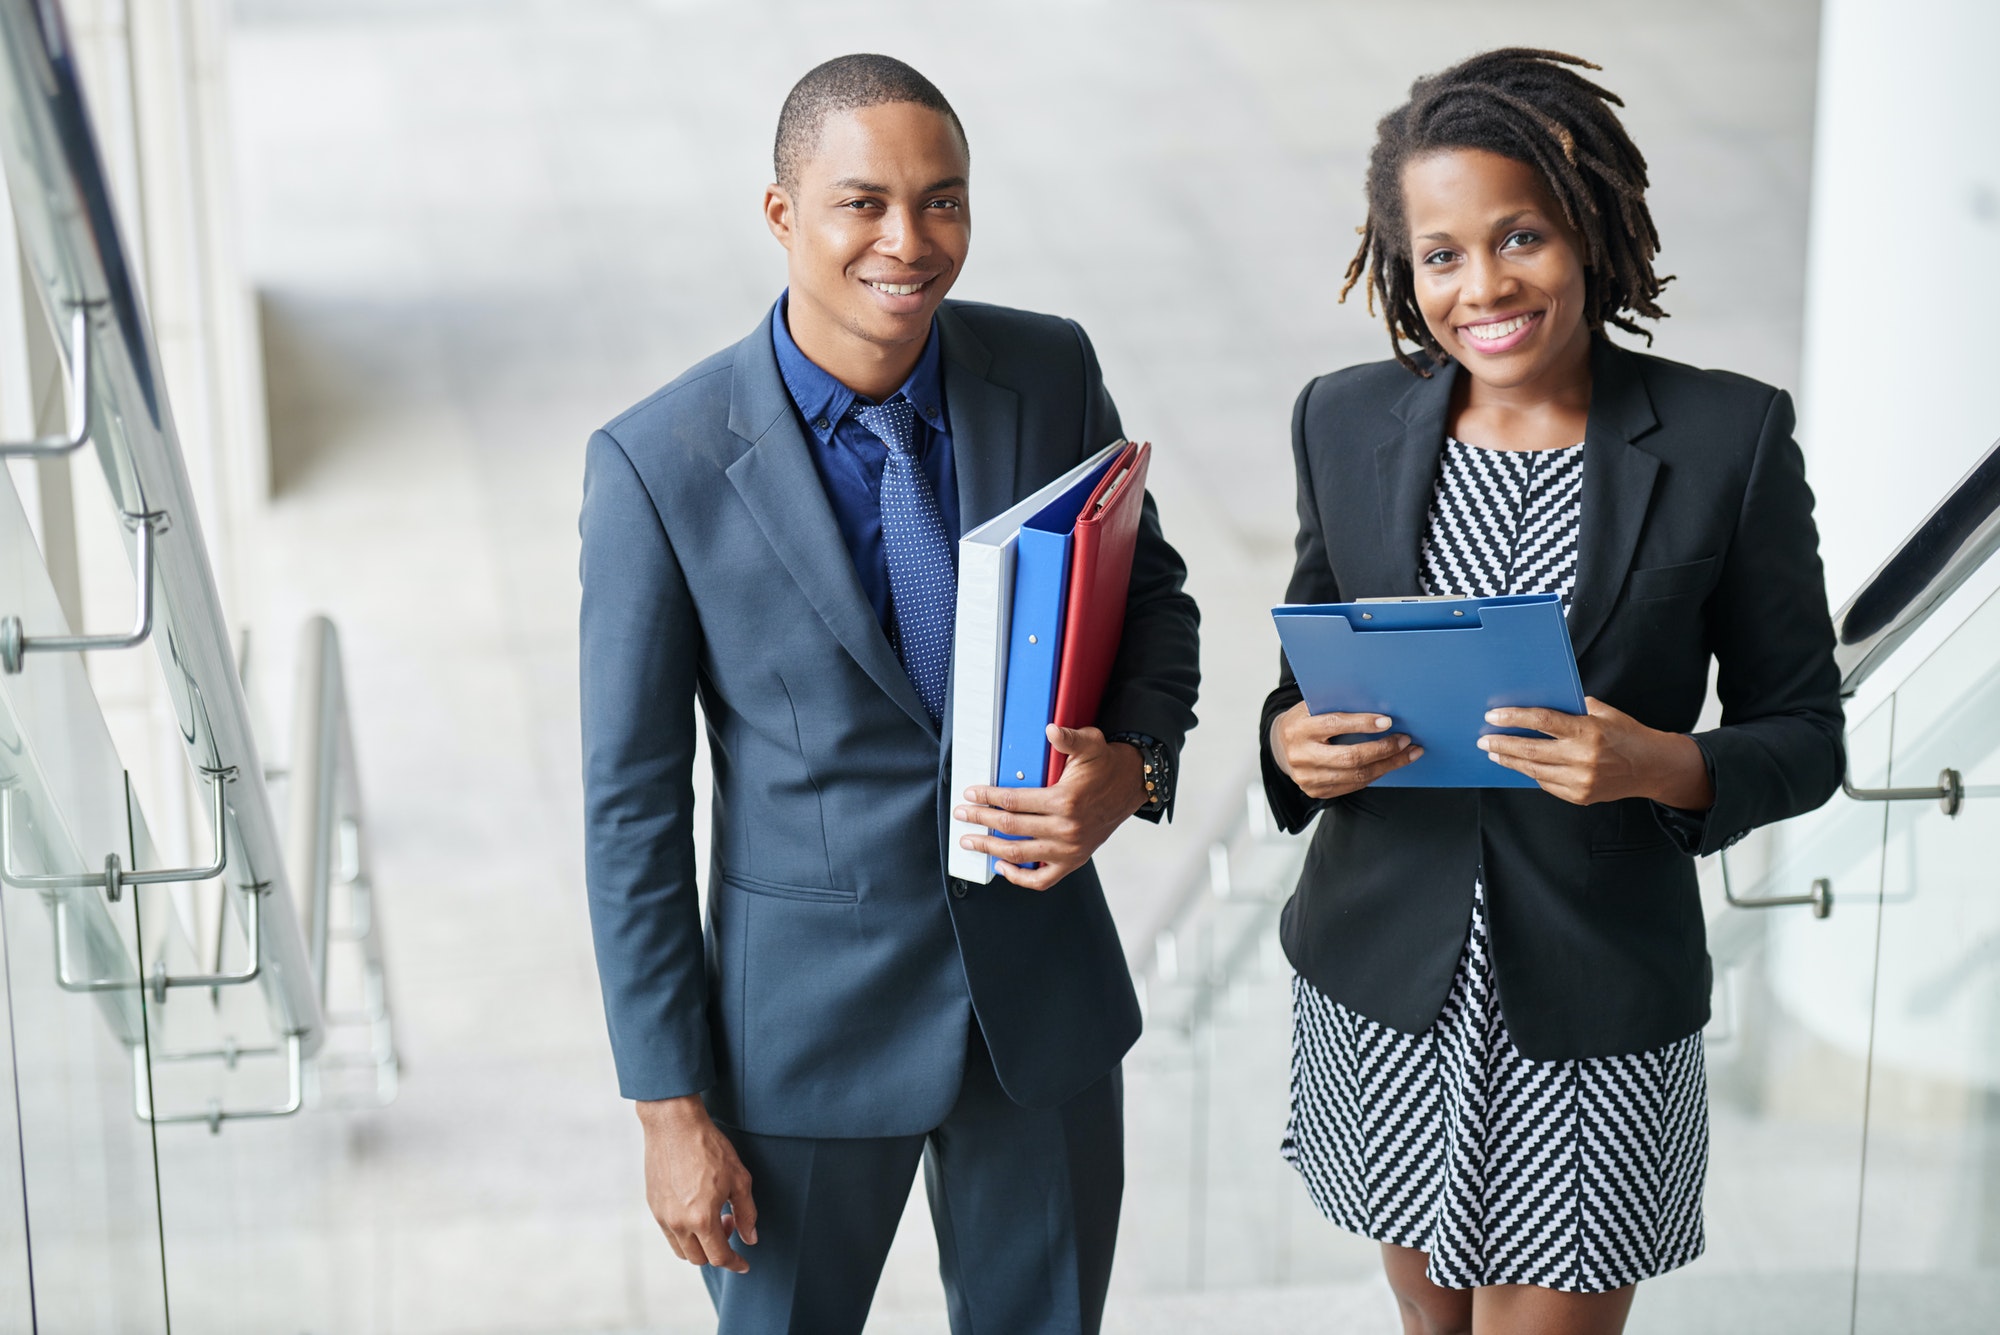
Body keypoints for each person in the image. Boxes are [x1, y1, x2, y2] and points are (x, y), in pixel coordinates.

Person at [578, 53, 1199, 1335]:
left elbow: (1153, 602)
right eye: (862, 203)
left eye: (942, 202)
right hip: (799, 1045)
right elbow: (631, 811)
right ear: (780, 214)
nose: (907, 243)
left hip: (1039, 1018)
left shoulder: (1045, 370)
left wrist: (1130, 768)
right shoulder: (658, 465)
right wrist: (667, 1108)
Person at [1259, 49, 1843, 1335]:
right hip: (1383, 993)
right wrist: (1290, 749)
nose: (1482, 288)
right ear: (1403, 271)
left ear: (1583, 231)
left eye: (1517, 236)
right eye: (1439, 255)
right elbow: (1299, 683)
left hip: (1591, 1001)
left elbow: (1803, 735)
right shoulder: (1342, 421)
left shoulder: (1722, 440)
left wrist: (1660, 766)